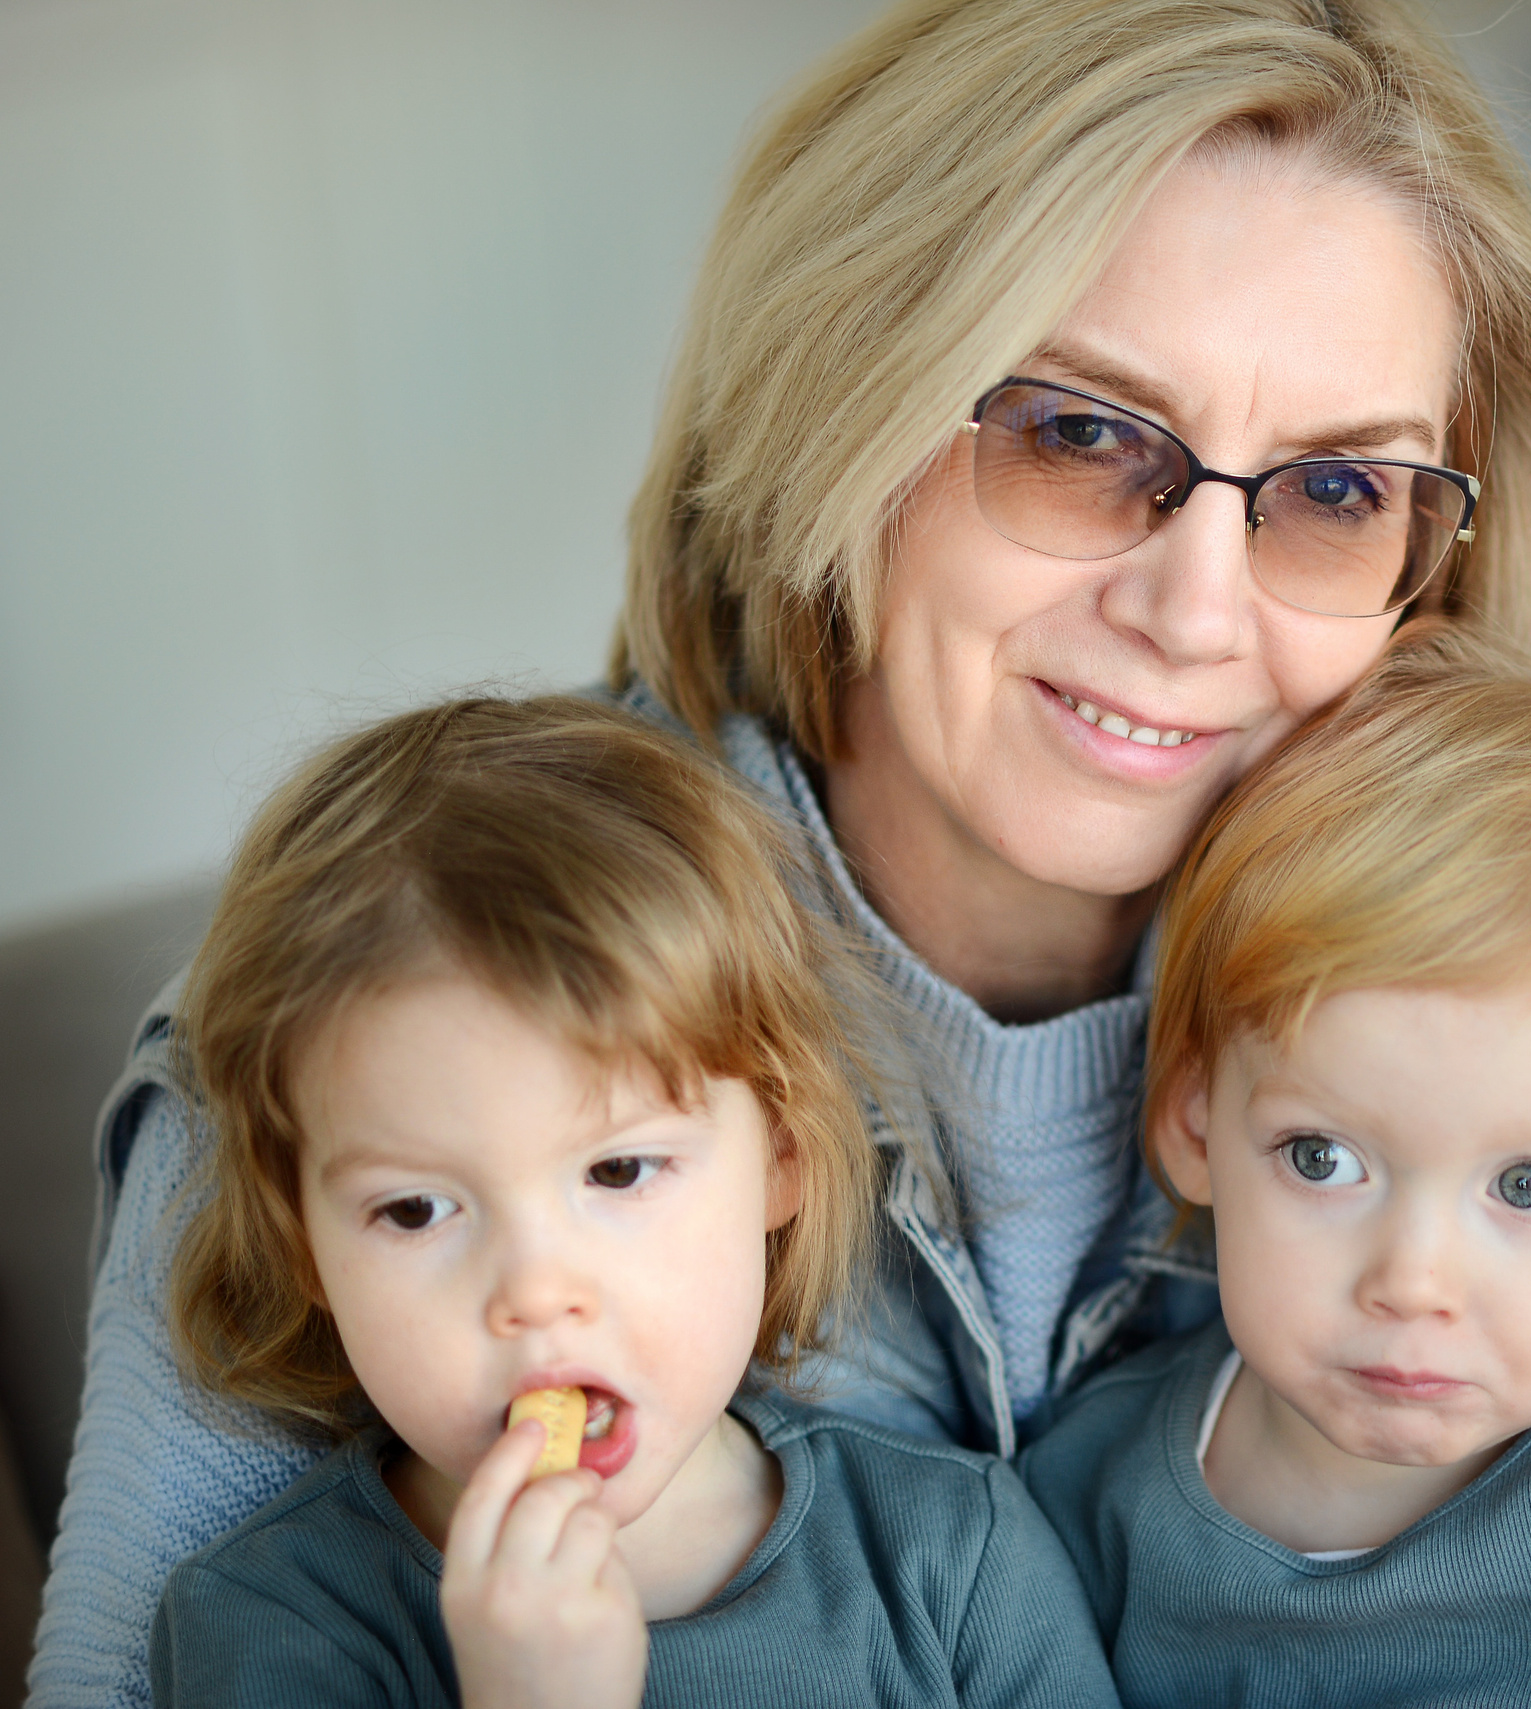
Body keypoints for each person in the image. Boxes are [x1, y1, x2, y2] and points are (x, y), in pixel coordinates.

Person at [35, 2, 1531, 1704]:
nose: (1197, 605)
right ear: (843, 416)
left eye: (1333, 489)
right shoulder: (410, 1015)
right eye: (1080, 435)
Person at [143, 695, 1116, 1709]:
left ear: (781, 1156)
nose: (534, 1291)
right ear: (305, 1242)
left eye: (617, 1170)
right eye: (418, 1209)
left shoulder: (957, 1557)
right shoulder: (272, 1623)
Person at [1021, 623, 1531, 1706]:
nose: (1412, 1279)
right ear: (1190, 1117)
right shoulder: (1087, 1484)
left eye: (1527, 1185)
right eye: (1321, 1158)